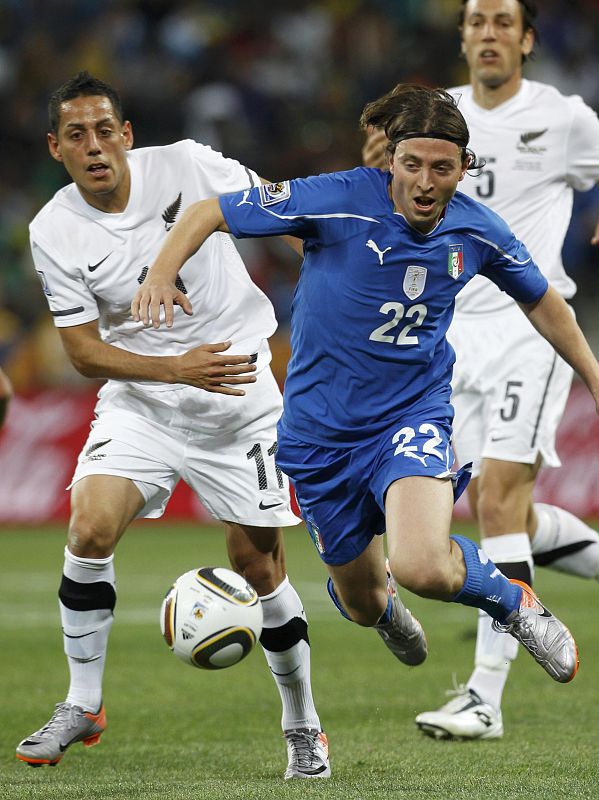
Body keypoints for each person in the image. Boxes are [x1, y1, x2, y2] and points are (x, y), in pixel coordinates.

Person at [132, 85, 599, 726]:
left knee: (423, 566)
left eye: (442, 168)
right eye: (413, 165)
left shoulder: (477, 228)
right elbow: (207, 211)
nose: (426, 182)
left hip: (411, 415)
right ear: (390, 161)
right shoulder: (336, 199)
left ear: (464, 168)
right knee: (362, 601)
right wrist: (161, 273)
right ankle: (382, 609)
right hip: (318, 436)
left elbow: (543, 301)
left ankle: (513, 602)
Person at [362, 0, 599, 742]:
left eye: (503, 21)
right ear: (463, 37)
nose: (488, 33)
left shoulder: (563, 117)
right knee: (510, 518)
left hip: (532, 328)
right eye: (476, 22)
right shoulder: (436, 119)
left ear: (526, 39)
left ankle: (485, 698)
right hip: (448, 337)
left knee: (497, 498)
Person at [16, 72, 330, 781]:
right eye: (76, 135)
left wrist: (330, 283)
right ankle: (83, 702)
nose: (94, 146)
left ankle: (302, 723)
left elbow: (288, 216)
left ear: (126, 135)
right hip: (145, 401)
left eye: (105, 130)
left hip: (238, 394)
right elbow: (82, 352)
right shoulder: (52, 230)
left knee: (260, 567)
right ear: (56, 148)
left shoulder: (190, 165)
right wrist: (174, 370)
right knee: (88, 528)